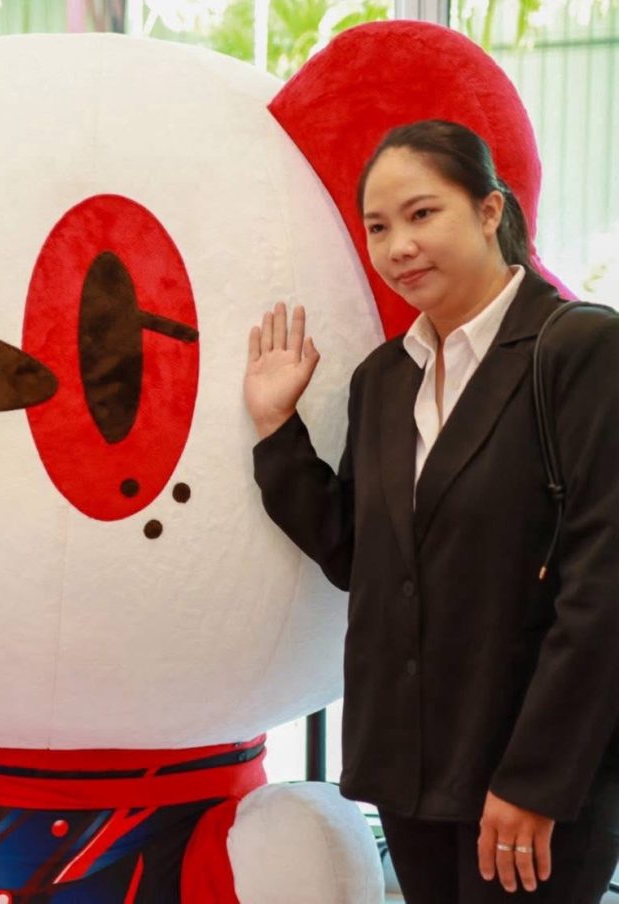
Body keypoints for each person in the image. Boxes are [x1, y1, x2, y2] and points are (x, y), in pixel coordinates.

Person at [244, 119, 619, 902]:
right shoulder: (386, 378)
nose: (399, 247)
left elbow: (603, 590)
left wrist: (535, 781)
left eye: (422, 214)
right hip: (411, 770)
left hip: (531, 777)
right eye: (378, 227)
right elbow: (359, 555)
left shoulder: (581, 349)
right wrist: (278, 429)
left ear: (489, 210)